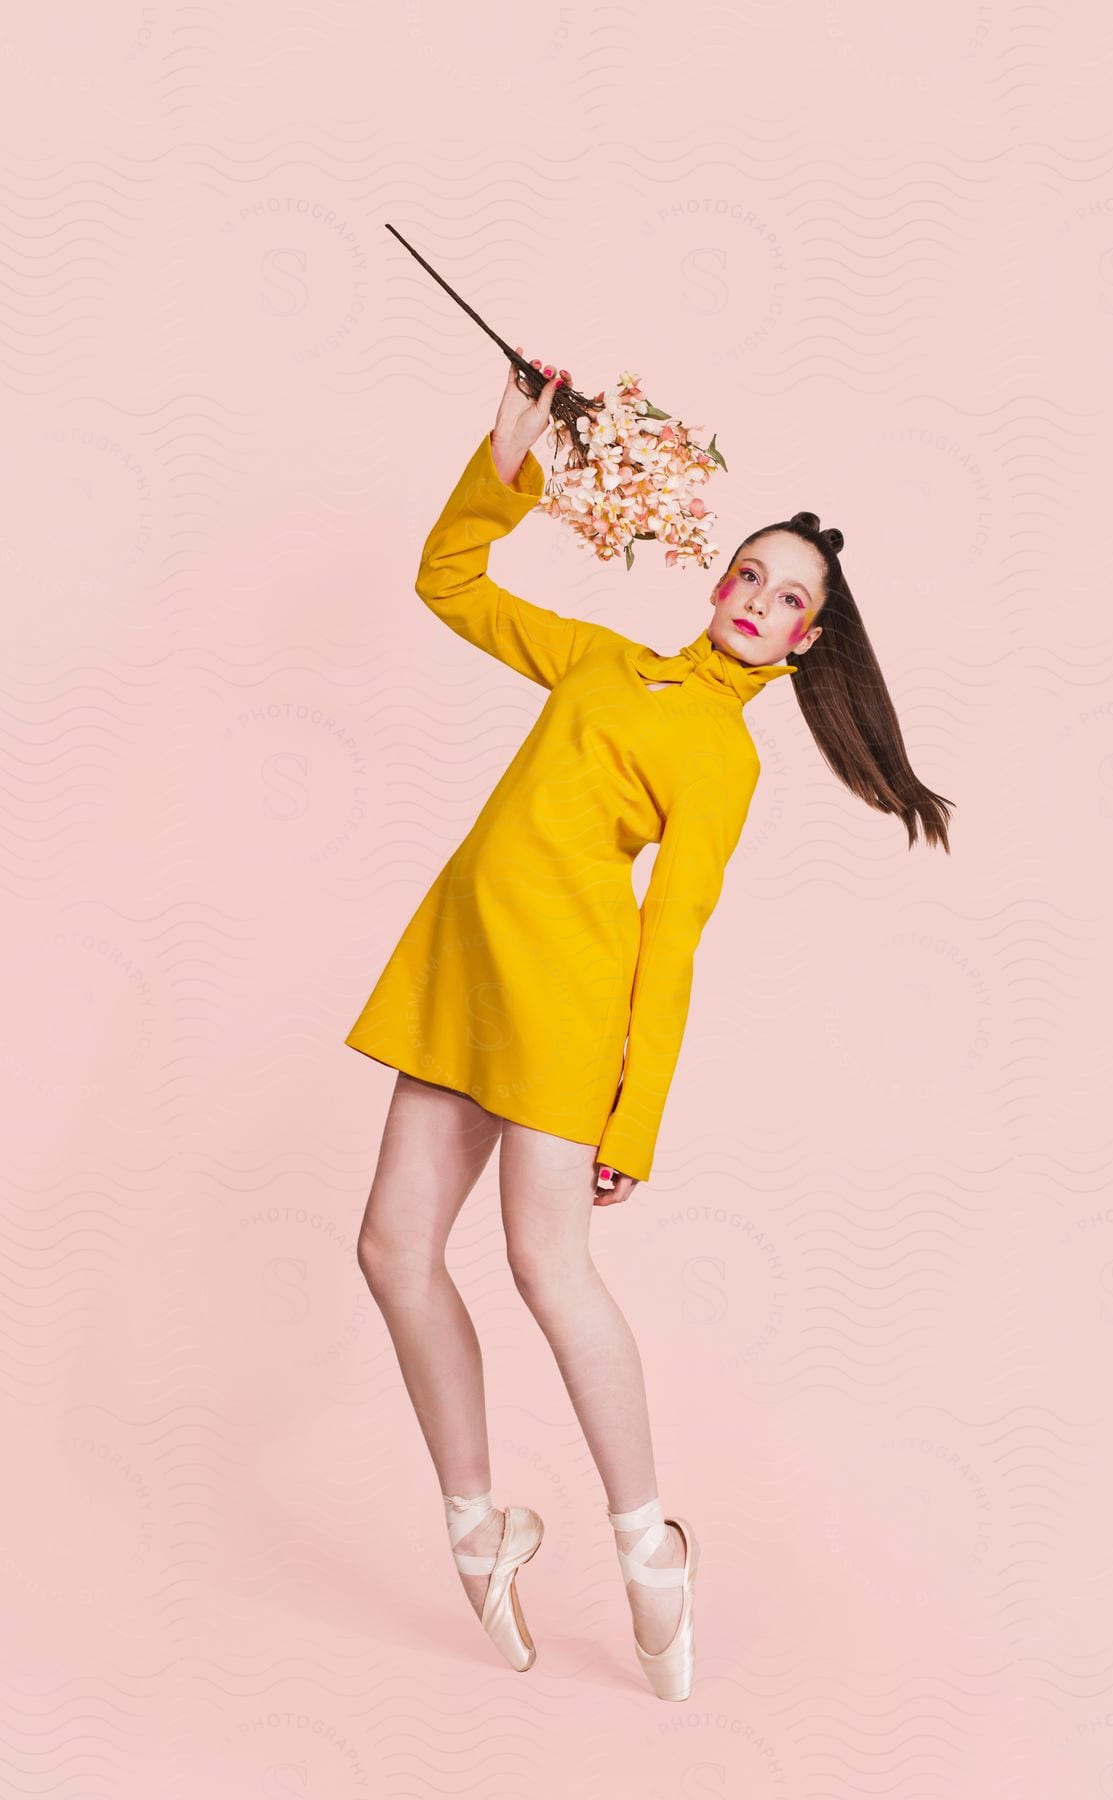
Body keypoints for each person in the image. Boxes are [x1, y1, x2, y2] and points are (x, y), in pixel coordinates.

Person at [345, 350, 954, 1701]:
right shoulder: (603, 663)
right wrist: (512, 446)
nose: (762, 602)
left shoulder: (723, 756)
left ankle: (645, 1539)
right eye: (752, 574)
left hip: (563, 1000)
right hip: (461, 974)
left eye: (791, 599)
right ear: (715, 581)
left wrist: (637, 1117)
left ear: (804, 642)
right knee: (393, 1250)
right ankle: (478, 1523)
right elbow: (449, 581)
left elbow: (673, 942)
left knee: (545, 1269)